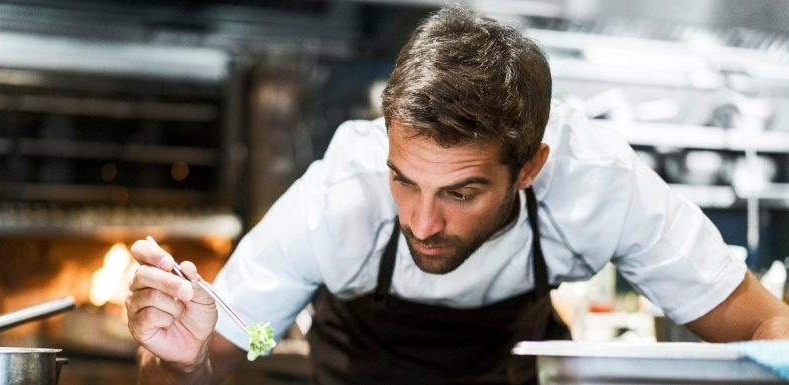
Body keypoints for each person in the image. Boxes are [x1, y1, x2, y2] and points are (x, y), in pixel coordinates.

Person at [126, 6, 789, 385]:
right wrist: (177, 357)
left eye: (462, 192)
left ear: (529, 168)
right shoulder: (336, 197)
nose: (422, 219)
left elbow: (764, 324)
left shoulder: (598, 185)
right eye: (403, 178)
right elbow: (214, 354)